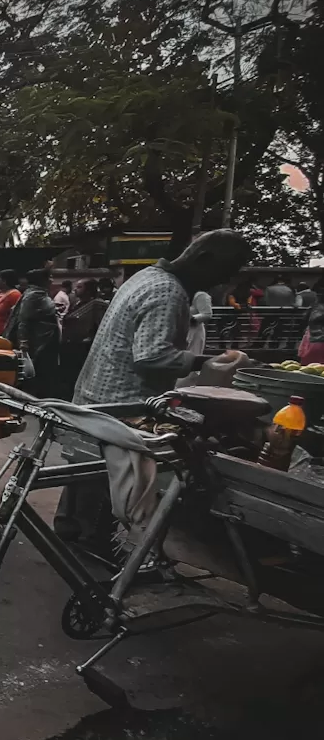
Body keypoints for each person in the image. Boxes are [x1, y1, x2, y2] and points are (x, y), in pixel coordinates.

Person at [56, 230, 252, 556]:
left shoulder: (145, 276)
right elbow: (151, 357)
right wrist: (209, 360)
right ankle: (93, 548)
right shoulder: (168, 292)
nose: (228, 279)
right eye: (227, 269)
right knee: (112, 476)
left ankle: (70, 529)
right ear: (203, 260)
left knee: (84, 469)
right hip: (123, 403)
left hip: (96, 395)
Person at [4, 269, 61, 396]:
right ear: (43, 280)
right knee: (36, 375)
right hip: (37, 342)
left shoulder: (41, 294)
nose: (52, 280)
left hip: (46, 340)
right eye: (49, 277)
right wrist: (23, 342)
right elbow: (23, 320)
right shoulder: (33, 296)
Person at [58, 278, 106, 399]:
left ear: (89, 290)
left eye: (79, 287)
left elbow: (101, 327)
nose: (75, 289)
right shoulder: (76, 303)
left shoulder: (97, 304)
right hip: (69, 345)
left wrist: (89, 339)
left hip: (83, 348)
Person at [0, 269, 21, 337]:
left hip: (3, 335)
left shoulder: (14, 295)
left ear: (4, 281)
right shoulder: (0, 294)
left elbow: (16, 317)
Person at [186, 290, 213, 356]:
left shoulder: (200, 295)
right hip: (182, 330)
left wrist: (189, 318)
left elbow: (207, 314)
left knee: (193, 356)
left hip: (194, 331)